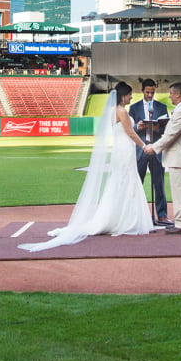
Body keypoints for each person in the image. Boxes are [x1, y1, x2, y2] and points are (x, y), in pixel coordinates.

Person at [19, 81, 155, 251]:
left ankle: (119, 217)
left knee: (121, 182)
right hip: (125, 150)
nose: (131, 97)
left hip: (120, 150)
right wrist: (144, 146)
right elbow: (130, 132)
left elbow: (126, 129)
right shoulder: (121, 111)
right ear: (122, 96)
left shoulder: (115, 111)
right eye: (129, 94)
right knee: (126, 182)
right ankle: (125, 219)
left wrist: (136, 126)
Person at [128, 77, 171, 227]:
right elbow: (128, 130)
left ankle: (162, 215)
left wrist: (158, 128)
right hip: (140, 149)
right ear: (142, 91)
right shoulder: (134, 108)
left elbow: (167, 128)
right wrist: (137, 128)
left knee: (159, 182)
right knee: (137, 181)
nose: (150, 95)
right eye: (147, 92)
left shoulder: (161, 107)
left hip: (156, 147)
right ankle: (134, 213)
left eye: (152, 92)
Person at [152, 82, 181, 234]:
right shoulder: (180, 110)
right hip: (177, 157)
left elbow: (171, 135)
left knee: (179, 192)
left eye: (171, 93)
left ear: (177, 94)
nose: (169, 96)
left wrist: (154, 147)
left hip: (178, 157)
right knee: (178, 191)